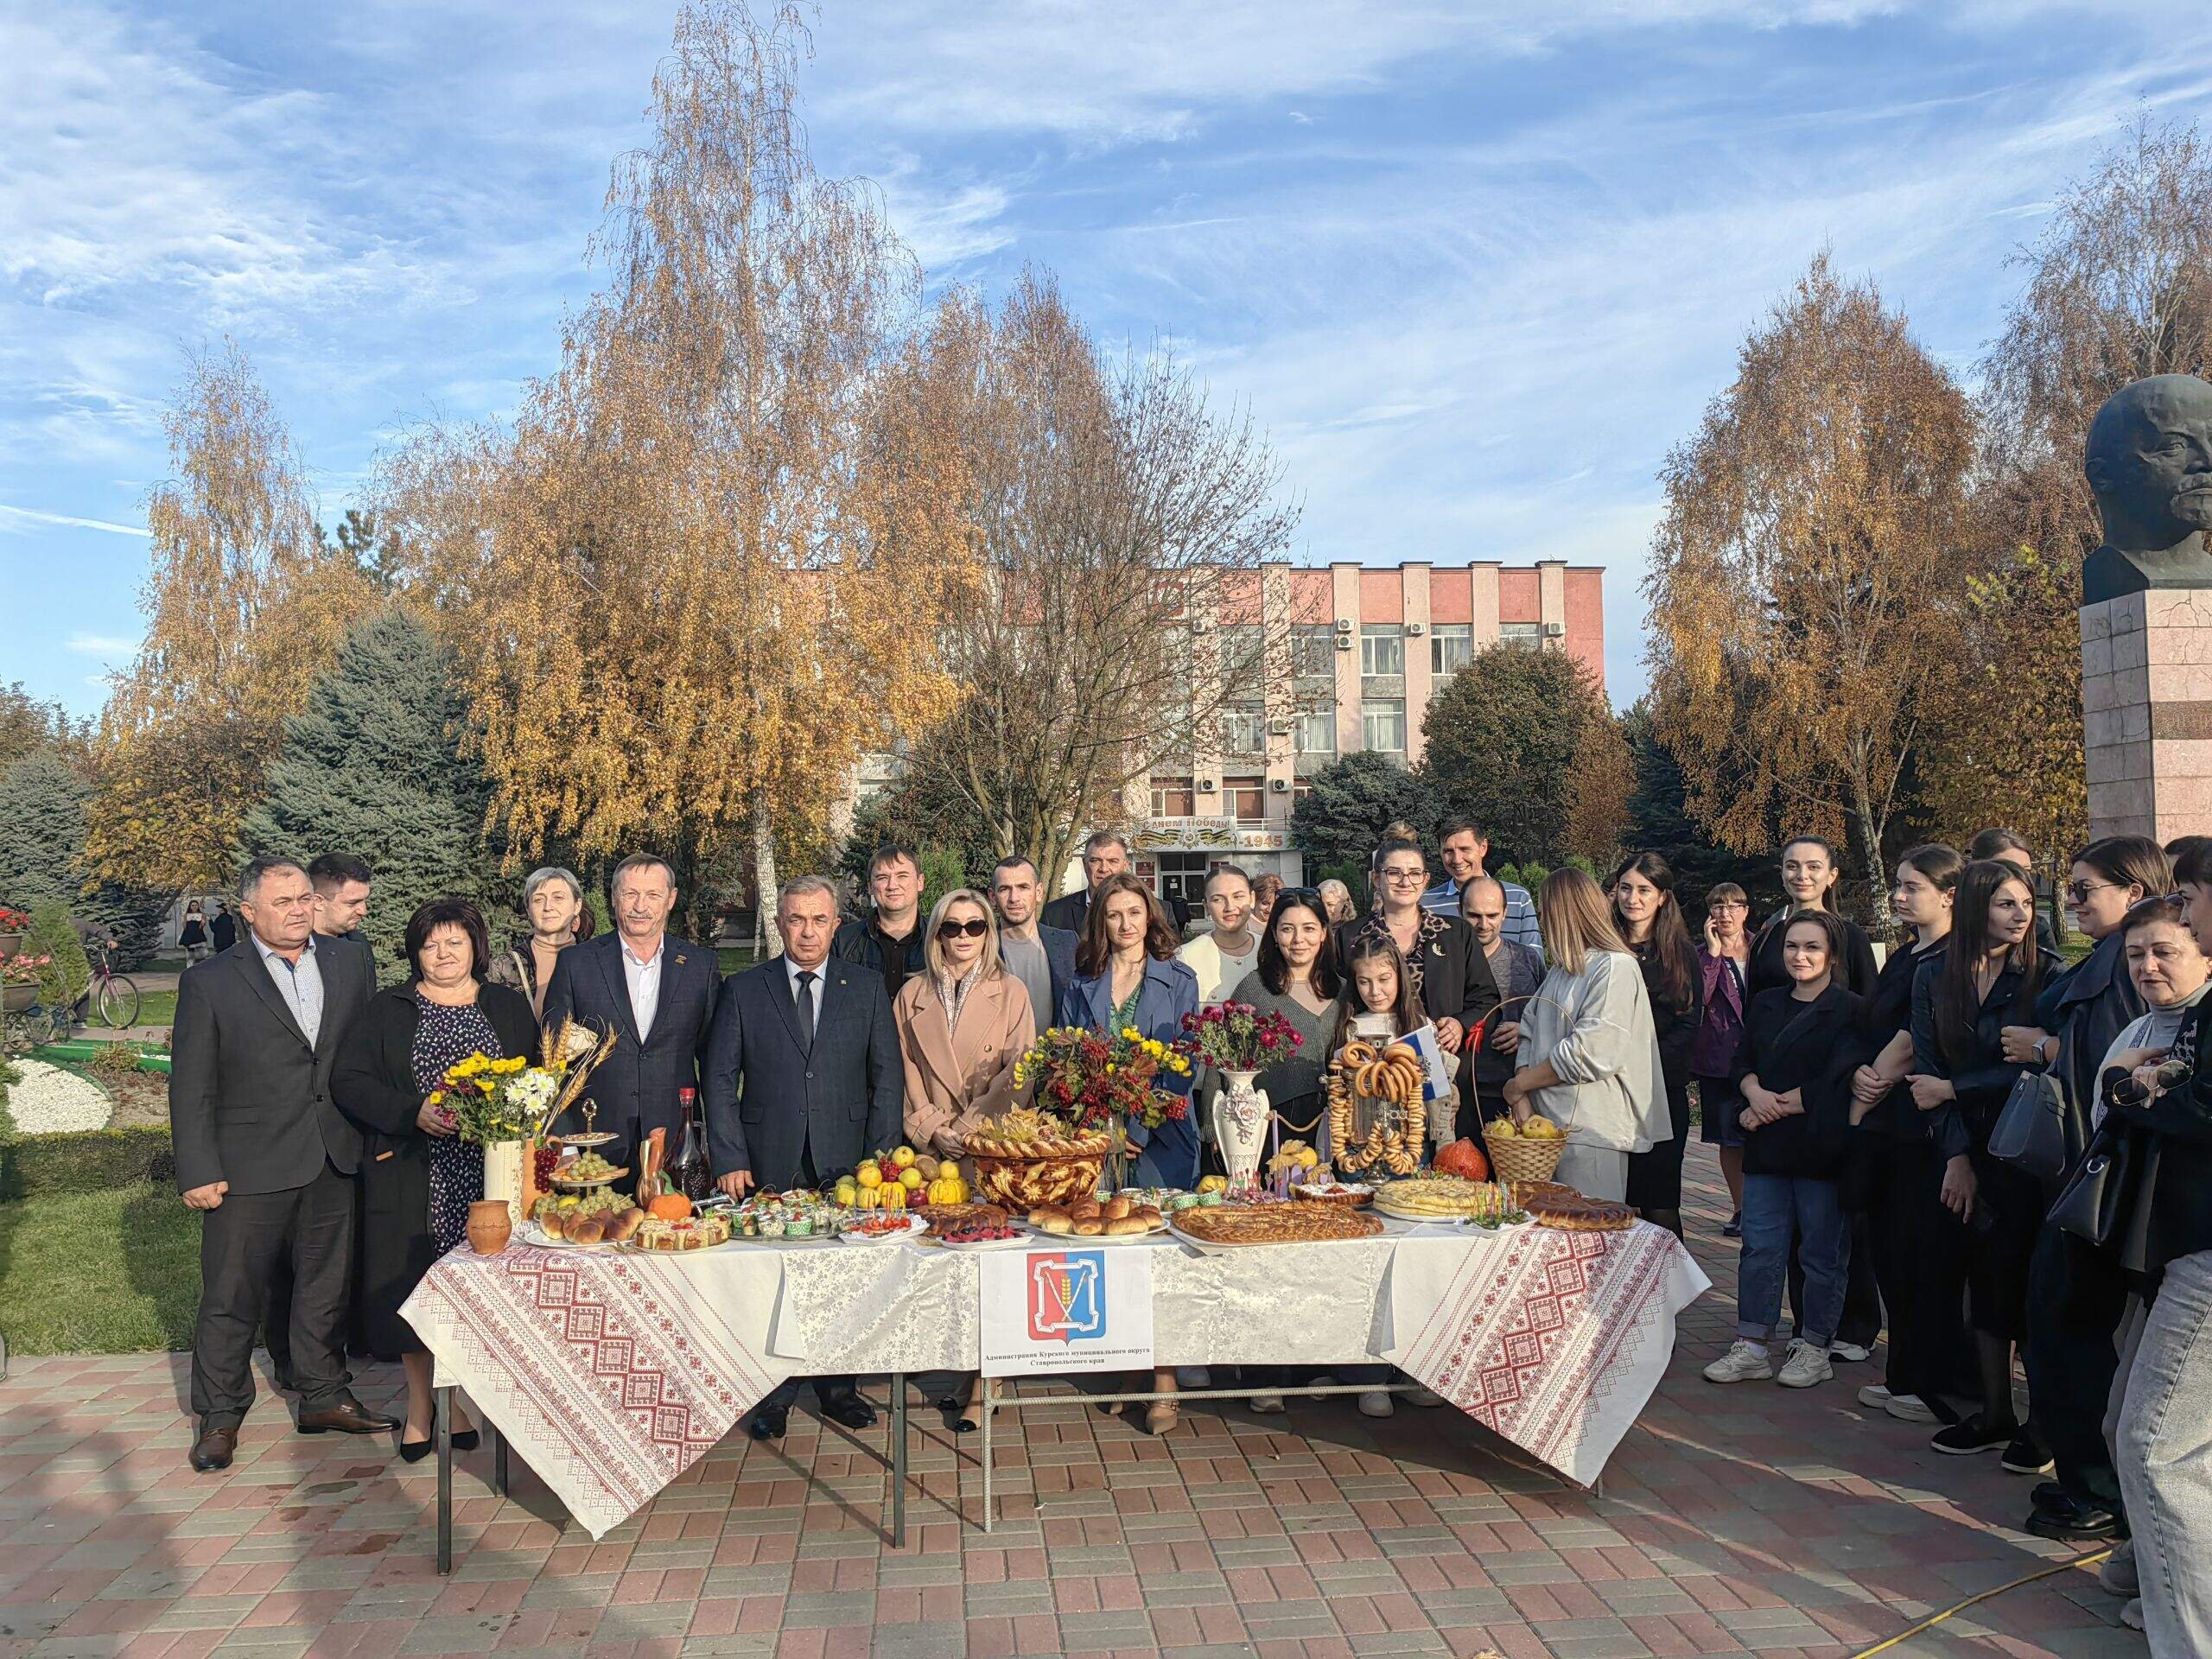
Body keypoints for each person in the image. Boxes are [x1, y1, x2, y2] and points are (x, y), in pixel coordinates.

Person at [169, 855, 392, 1473]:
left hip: (333, 1151)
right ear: (249, 912)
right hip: (246, 1164)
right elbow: (191, 1085)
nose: (297, 910)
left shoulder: (351, 961)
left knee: (326, 1287)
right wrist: (197, 1168)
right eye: (282, 902)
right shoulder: (212, 981)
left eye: (302, 899)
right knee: (232, 1293)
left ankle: (322, 1395)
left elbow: (360, 1058)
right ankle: (219, 1415)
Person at [331, 899, 535, 1458]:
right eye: (430, 944)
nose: (443, 954)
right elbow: (349, 1080)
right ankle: (422, 1405)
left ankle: (465, 1399)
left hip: (491, 1178)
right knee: (418, 1291)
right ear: (415, 951)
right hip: (414, 1175)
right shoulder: (388, 1010)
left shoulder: (508, 1007)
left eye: (454, 942)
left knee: (482, 1293)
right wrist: (410, 1111)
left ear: (475, 946)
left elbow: (538, 1080)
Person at [706, 874, 903, 1440]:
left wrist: (880, 1164)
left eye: (819, 920)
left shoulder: (865, 989)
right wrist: (729, 1155)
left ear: (835, 924)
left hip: (846, 1162)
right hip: (768, 1159)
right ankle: (772, 1395)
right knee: (772, 1281)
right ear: (780, 924)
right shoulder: (744, 989)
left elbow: (886, 1081)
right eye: (796, 919)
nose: (808, 931)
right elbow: (720, 1080)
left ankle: (839, 1389)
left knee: (841, 1278)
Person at [2014, 836, 2168, 1540]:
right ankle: (2089, 1483)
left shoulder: (2122, 973)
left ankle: (2094, 1490)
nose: (2071, 903)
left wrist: (2046, 1051)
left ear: (2133, 893)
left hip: (2097, 1185)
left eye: (2084, 890)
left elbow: (2108, 1084)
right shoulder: (2110, 965)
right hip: (2086, 1177)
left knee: (2070, 1332)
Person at [1907, 858, 2053, 1470]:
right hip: (1963, 1153)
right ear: (1973, 908)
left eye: (2026, 904)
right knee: (1982, 1283)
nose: (2020, 915)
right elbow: (1925, 1075)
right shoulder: (1933, 975)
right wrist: (1958, 1155)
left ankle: (2042, 1426)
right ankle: (1996, 1413)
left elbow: (2036, 1066)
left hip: (2030, 1153)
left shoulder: (2046, 975)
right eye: (2005, 904)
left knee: (2032, 1290)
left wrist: (1957, 1091)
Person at [2101, 862, 2212, 1652]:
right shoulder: (2158, 1025)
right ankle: (2153, 1565)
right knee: (2134, 1426)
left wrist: (2137, 1093)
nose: (2150, 966)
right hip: (2167, 1248)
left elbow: (2194, 1111)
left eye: (2177, 938)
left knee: (2155, 1448)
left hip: (2203, 1252)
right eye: (2135, 953)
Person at [1703, 911, 1866, 1390]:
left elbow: (1840, 1079)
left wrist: (1772, 1106)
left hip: (1820, 1146)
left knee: (1820, 1252)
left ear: (1832, 954)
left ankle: (1815, 1345)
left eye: (1812, 947)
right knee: (1760, 1248)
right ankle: (1752, 1344)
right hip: (1768, 1147)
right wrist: (1752, 1094)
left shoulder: (1851, 1009)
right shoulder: (1768, 1003)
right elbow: (1743, 1061)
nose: (1801, 956)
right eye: (1793, 946)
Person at [893, 889, 1033, 1433]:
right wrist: (931, 1126)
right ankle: (968, 1368)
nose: (963, 938)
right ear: (935, 934)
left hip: (988, 1146)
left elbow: (1021, 1068)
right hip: (934, 1156)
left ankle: (986, 1379)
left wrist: (970, 1126)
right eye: (952, 928)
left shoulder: (1011, 991)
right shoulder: (911, 994)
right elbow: (903, 1065)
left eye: (975, 927)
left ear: (989, 932)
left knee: (991, 1267)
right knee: (950, 1269)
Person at [1848, 845, 1968, 1427]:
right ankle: (1904, 1372)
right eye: (1898, 884)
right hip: (1886, 1125)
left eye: (1911, 886)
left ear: (1949, 894)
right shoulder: (1904, 955)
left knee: (1923, 1255)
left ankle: (1929, 1381)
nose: (1899, 895)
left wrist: (1874, 1082)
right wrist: (1861, 1075)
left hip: (1922, 1126)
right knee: (1890, 1253)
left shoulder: (1950, 958)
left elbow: (1917, 1035)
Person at [1318, 931, 1458, 1420]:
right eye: (1365, 982)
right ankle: (1364, 1373)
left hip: (1407, 1160)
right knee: (1364, 1267)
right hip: (1356, 1159)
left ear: (1401, 977)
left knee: (1411, 1265)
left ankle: (1412, 1369)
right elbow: (1333, 1101)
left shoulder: (1417, 1030)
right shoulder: (1346, 1030)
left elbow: (1438, 1100)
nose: (1376, 991)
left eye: (1384, 979)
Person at [539, 855, 718, 1169]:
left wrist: (719, 1144)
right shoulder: (576, 964)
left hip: (676, 1141)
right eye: (630, 894)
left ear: (671, 899)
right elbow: (552, 1060)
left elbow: (716, 1063)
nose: (640, 906)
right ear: (613, 897)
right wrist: (564, 1144)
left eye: (653, 895)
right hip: (593, 1143)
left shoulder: (700, 966)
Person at [1503, 869, 1669, 1201]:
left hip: (1591, 1129)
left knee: (1590, 1236)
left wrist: (1520, 1085)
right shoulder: (1559, 970)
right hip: (1545, 1124)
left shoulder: (1615, 967)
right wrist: (1522, 1095)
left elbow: (1593, 1051)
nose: (1544, 923)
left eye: (1546, 911)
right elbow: (1529, 1031)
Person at [1335, 838, 1499, 1129]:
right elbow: (1340, 1002)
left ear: (1425, 880)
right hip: (1375, 1078)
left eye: (1414, 873)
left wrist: (1461, 1024)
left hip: (1442, 1077)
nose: (1405, 881)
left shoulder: (1455, 933)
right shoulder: (1351, 936)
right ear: (1377, 878)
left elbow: (1487, 1000)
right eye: (1394, 873)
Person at [1058, 874, 1203, 1190]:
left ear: (1149, 916)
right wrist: (1104, 1130)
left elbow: (1184, 1063)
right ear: (1101, 921)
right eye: (1114, 915)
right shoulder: (1081, 984)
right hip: (1095, 1141)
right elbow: (1065, 1063)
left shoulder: (1181, 980)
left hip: (1162, 1139)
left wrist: (1136, 1129)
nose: (1126, 924)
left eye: (1134, 912)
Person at [1613, 854, 1704, 1240]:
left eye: (1644, 890)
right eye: (1626, 888)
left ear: (1663, 897)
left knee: (1659, 1204)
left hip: (1659, 1095)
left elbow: (1688, 1024)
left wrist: (1643, 1070)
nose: (1633, 898)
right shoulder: (1605, 948)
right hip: (1609, 1092)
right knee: (1612, 1202)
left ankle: (1668, 1295)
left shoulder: (1680, 953)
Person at [1691, 882, 1753, 1235]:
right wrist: (1714, 953)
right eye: (1717, 906)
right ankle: (1741, 1207)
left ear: (1746, 911)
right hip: (1719, 1059)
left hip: (1761, 1055)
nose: (1725, 913)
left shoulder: (1764, 947)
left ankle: (1764, 1207)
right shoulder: (1703, 954)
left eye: (1733, 906)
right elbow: (1700, 996)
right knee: (1729, 1138)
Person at [1746, 837, 1879, 1000]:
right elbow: (1752, 1007)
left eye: (1813, 867)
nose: (1802, 875)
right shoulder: (1765, 939)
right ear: (1782, 874)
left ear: (1832, 875)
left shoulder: (1851, 937)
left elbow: (1871, 1004)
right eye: (1792, 866)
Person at [1463, 875, 1546, 1135]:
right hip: (1464, 1096)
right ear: (1459, 911)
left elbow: (1552, 1018)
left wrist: (1525, 1028)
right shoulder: (1446, 965)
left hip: (1520, 1094)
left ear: (1506, 914)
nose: (1483, 924)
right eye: (1474, 915)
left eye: (1492, 915)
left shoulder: (1527, 959)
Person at [486, 866, 595, 1019]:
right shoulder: (503, 968)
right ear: (529, 910)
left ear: (576, 906)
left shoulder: (597, 962)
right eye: (538, 900)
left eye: (558, 898)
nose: (548, 907)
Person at [1423, 817, 1541, 953]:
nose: (1457, 859)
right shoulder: (1427, 904)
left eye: (1465, 849)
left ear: (1483, 848)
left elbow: (1534, 961)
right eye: (1448, 851)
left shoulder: (1518, 898)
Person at [989, 855, 1077, 1033]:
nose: (1014, 898)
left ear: (1038, 893)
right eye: (1005, 889)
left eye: (1023, 887)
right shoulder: (981, 948)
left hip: (1058, 1057)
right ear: (992, 896)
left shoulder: (1068, 942)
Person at [833, 844, 927, 1001]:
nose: (892, 885)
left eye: (902, 876)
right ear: (870, 886)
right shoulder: (844, 941)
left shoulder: (939, 939)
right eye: (882, 878)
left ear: (920, 882)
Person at [1971, 827, 2062, 960]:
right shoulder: (1948, 924)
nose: (2020, 878)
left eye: (2026, 870)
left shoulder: (2038, 929)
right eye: (2008, 869)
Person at [1177, 864, 1262, 1005]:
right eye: (1218, 900)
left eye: (1238, 897)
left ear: (1252, 899)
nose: (1230, 907)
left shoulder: (1270, 950)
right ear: (1206, 906)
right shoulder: (1186, 957)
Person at [1041, 830, 1130, 935]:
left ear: (1125, 866)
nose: (1104, 869)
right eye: (1095, 860)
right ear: (1084, 865)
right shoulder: (1054, 914)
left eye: (1112, 861)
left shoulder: (1149, 909)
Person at [308, 853, 376, 973]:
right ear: (318, 902)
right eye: (352, 903)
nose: (363, 911)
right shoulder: (296, 951)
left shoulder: (359, 944)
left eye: (364, 900)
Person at [180, 899, 209, 963]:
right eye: (193, 905)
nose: (195, 907)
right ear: (190, 907)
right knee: (190, 956)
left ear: (198, 906)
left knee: (202, 955)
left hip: (199, 936)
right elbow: (184, 926)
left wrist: (203, 922)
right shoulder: (186, 915)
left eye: (196, 905)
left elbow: (203, 925)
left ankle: (201, 968)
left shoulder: (202, 914)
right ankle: (190, 968)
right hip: (189, 937)